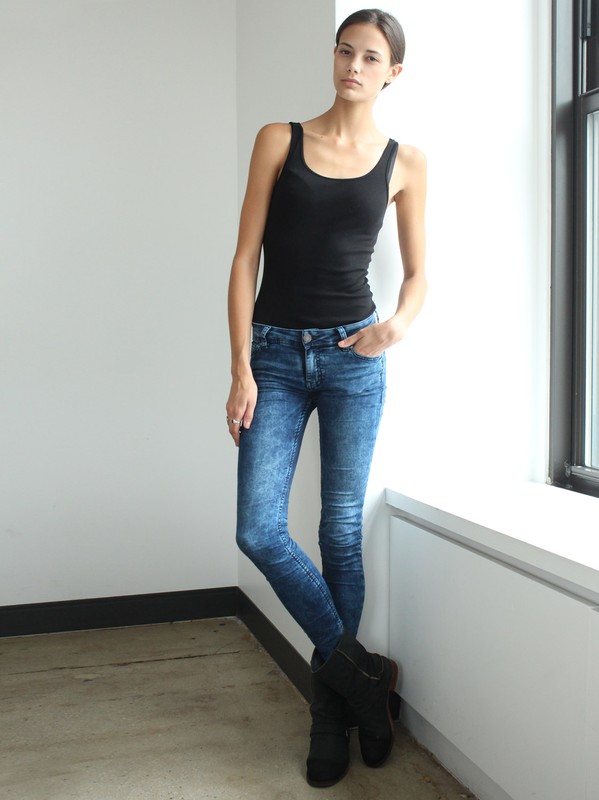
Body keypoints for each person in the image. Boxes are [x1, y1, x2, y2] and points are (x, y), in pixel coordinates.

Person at [226, 7, 427, 788]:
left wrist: (394, 328)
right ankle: (364, 679)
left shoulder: (406, 162)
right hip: (274, 356)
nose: (352, 66)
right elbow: (244, 257)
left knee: (339, 533)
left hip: (353, 358)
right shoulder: (279, 139)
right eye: (345, 51)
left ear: (392, 73)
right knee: (258, 530)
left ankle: (328, 710)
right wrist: (241, 367)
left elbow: (418, 275)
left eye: (370, 57)